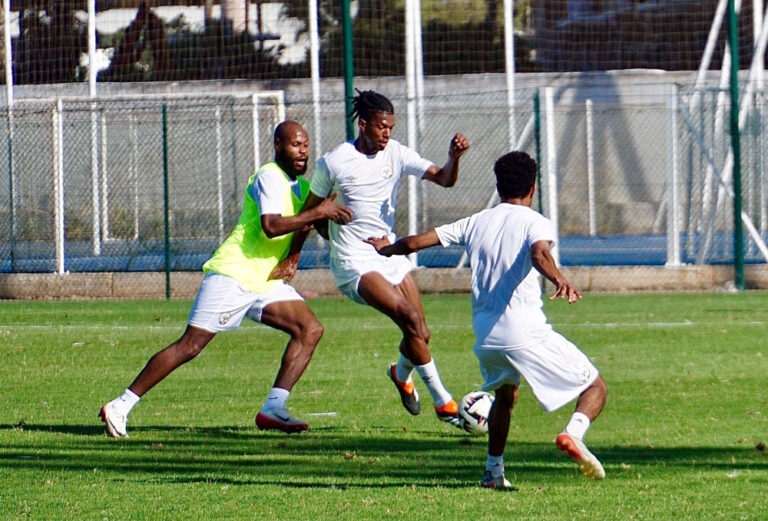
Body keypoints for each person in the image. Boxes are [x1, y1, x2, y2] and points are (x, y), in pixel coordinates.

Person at [364, 151, 607, 486]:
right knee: (595, 387)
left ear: (498, 185)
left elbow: (418, 242)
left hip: (486, 337)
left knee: (505, 399)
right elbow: (539, 253)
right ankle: (573, 434)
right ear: (533, 188)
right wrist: (559, 278)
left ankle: (493, 472)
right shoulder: (536, 221)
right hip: (525, 332)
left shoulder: (477, 220)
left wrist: (387, 249)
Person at [99, 121, 353, 437]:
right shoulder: (268, 177)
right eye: (294, 144)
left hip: (265, 281)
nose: (302, 151)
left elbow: (307, 226)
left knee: (309, 329)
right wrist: (319, 214)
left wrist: (342, 227)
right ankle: (120, 405)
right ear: (278, 145)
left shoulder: (301, 189)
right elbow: (272, 226)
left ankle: (273, 408)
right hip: (234, 274)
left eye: (306, 145)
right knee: (190, 346)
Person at [272, 90, 470, 427]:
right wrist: (293, 257)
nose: (387, 133)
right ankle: (444, 402)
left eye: (391, 127)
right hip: (354, 261)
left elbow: (444, 179)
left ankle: (400, 372)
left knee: (420, 333)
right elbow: (310, 213)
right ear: (363, 125)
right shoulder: (334, 161)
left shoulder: (396, 153)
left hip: (388, 253)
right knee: (408, 318)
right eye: (381, 127)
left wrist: (454, 159)